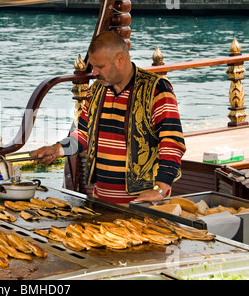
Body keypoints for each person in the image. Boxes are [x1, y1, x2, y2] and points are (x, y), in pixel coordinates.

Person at [31, 31, 186, 204]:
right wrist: (57, 149)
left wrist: (160, 189)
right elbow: (83, 134)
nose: (94, 73)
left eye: (100, 67)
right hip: (102, 199)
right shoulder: (96, 90)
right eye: (93, 67)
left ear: (120, 59)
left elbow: (172, 142)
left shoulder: (156, 89)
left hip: (144, 202)